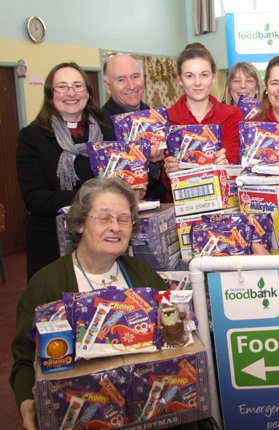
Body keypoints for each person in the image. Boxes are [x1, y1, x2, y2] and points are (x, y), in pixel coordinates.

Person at [10, 178, 167, 430]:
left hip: (147, 412)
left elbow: (175, 335)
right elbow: (24, 356)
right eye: (104, 218)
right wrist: (26, 401)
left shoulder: (141, 273)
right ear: (80, 223)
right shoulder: (48, 283)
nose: (115, 227)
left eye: (124, 219)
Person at [16, 62, 114, 281]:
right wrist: (91, 197)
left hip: (102, 239)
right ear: (51, 94)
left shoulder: (107, 133)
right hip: (50, 243)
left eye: (78, 86)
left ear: (88, 93)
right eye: (62, 86)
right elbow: (34, 198)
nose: (71, 93)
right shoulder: (32, 136)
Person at [162, 48, 241, 195]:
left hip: (224, 207)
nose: (198, 83)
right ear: (179, 79)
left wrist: (226, 165)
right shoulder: (165, 120)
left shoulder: (233, 116)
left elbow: (236, 167)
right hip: (181, 209)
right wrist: (170, 170)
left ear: (213, 77)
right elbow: (165, 183)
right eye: (189, 76)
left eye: (204, 75)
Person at [102, 54, 167, 202]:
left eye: (135, 77)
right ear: (107, 87)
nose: (131, 86)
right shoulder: (99, 126)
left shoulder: (155, 117)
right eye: (121, 80)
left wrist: (156, 164)